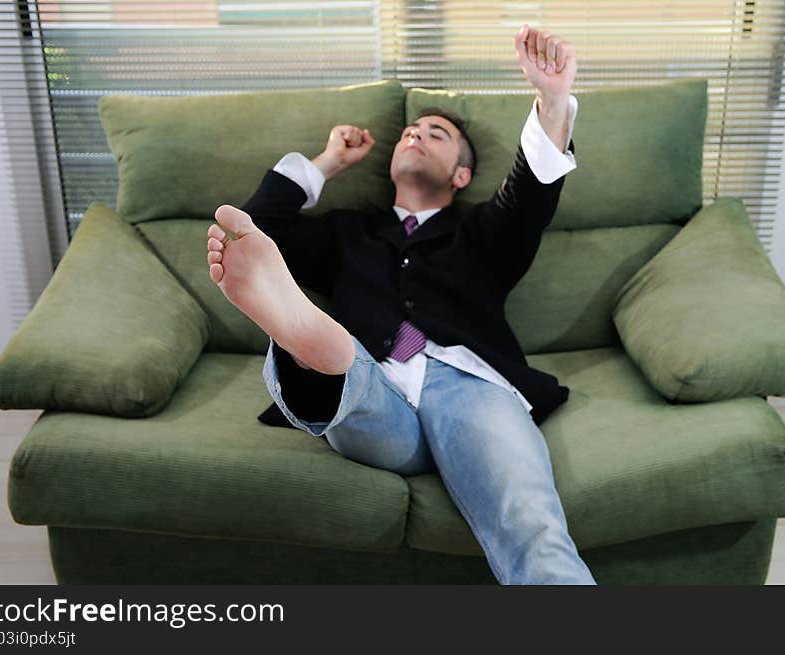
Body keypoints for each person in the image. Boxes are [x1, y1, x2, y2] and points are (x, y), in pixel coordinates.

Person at [206, 24, 596, 585]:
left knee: (530, 524)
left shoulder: (486, 232)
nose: (415, 135)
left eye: (435, 134)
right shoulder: (349, 234)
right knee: (350, 380)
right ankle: (315, 347)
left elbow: (531, 191)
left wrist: (553, 100)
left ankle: (314, 352)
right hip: (376, 388)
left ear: (461, 175)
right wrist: (329, 161)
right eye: (410, 130)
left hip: (466, 383)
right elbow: (250, 231)